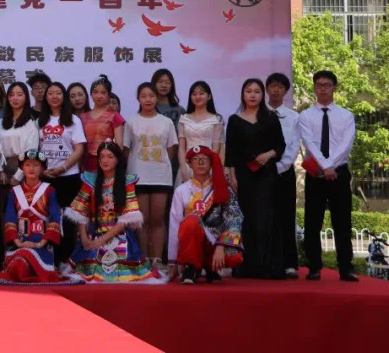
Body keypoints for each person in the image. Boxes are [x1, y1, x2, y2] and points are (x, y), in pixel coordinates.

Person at [66, 140, 160, 283]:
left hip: (119, 234)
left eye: (110, 157)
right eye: (102, 157)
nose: (105, 160)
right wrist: (84, 238)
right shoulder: (90, 180)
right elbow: (80, 212)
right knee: (88, 263)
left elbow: (127, 218)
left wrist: (102, 240)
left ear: (117, 160)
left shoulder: (127, 182)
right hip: (95, 232)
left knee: (119, 263)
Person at [299, 70, 358, 282]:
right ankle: (314, 267)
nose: (323, 88)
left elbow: (346, 144)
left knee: (342, 221)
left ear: (335, 88)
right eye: (319, 85)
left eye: (327, 84)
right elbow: (309, 144)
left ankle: (346, 268)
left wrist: (330, 166)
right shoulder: (306, 116)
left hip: (339, 173)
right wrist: (325, 167)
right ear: (314, 88)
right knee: (312, 222)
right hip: (315, 173)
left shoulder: (346, 115)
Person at [225, 78, 286, 280]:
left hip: (266, 175)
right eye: (249, 91)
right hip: (244, 176)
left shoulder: (270, 118)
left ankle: (269, 266)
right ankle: (246, 265)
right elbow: (231, 152)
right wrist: (232, 177)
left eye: (257, 91)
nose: (252, 95)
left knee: (266, 218)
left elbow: (280, 146)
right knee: (247, 219)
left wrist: (268, 155)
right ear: (243, 94)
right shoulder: (234, 120)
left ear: (262, 95)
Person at [123, 82, 178, 275]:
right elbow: (126, 150)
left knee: (158, 220)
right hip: (137, 176)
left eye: (151, 96)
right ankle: (143, 260)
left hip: (161, 176)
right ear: (138, 99)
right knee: (142, 220)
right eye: (144, 96)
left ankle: (157, 260)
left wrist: (158, 164)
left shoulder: (167, 122)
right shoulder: (131, 122)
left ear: (157, 98)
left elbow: (171, 149)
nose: (148, 99)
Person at [167, 146, 244, 284]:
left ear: (211, 162)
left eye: (204, 159)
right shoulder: (181, 190)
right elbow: (174, 225)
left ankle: (210, 266)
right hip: (190, 242)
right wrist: (172, 261)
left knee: (234, 257)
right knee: (191, 222)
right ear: (189, 164)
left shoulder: (222, 188)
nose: (200, 163)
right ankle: (191, 266)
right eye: (196, 159)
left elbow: (234, 218)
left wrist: (221, 245)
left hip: (215, 242)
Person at [0, 149, 63, 284]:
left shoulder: (49, 191)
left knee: (27, 262)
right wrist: (19, 243)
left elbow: (55, 219)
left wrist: (40, 243)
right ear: (21, 168)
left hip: (42, 244)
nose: (31, 168)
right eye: (27, 165)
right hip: (20, 242)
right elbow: (10, 219)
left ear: (42, 168)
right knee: (20, 260)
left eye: (36, 165)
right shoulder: (13, 192)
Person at [38, 81, 86, 264]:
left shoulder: (73, 120)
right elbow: (37, 149)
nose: (54, 96)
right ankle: (52, 260)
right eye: (50, 93)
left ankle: (68, 261)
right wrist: (42, 170)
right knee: (50, 219)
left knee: (68, 222)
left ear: (63, 97)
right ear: (46, 97)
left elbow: (79, 149)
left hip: (69, 176)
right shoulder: (40, 121)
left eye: (58, 93)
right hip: (47, 177)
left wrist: (63, 167)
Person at [0, 81, 39, 268]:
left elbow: (31, 150)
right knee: (2, 215)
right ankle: (3, 256)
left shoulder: (31, 123)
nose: (15, 98)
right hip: (2, 171)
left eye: (19, 94)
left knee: (22, 214)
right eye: (12, 94)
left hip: (24, 170)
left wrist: (18, 176)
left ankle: (23, 256)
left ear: (26, 98)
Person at [266, 72, 302, 278]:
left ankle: (289, 263)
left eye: (280, 86)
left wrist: (281, 166)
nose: (276, 90)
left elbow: (294, 144)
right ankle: (266, 262)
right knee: (264, 216)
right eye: (273, 86)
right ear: (267, 89)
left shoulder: (294, 117)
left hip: (284, 172)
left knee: (287, 217)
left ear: (286, 91)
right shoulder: (258, 113)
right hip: (261, 172)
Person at [176, 81, 225, 183]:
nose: (198, 96)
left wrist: (208, 166)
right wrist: (183, 169)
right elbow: (181, 147)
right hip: (188, 165)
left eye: (201, 93)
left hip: (208, 166)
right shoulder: (184, 119)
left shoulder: (216, 119)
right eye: (194, 94)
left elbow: (216, 148)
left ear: (209, 96)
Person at [80, 75, 125, 173]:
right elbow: (80, 146)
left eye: (103, 92)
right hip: (86, 165)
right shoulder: (83, 117)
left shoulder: (115, 116)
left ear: (108, 95)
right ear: (91, 94)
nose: (99, 96)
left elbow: (119, 146)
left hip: (107, 165)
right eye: (95, 92)